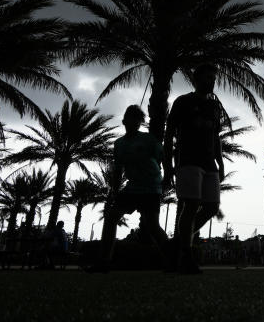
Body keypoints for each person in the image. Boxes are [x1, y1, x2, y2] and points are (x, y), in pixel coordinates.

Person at [89, 105, 169, 272]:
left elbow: (163, 157)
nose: (133, 122)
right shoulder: (119, 144)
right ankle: (104, 262)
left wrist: (167, 176)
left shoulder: (149, 140)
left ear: (140, 123)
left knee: (153, 225)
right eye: (130, 118)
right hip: (131, 189)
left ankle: (173, 259)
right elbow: (118, 170)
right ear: (124, 120)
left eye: (137, 119)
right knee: (111, 218)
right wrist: (114, 190)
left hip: (151, 188)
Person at [164, 64, 226, 275]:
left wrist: (221, 162)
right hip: (188, 159)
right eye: (207, 78)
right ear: (196, 79)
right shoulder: (183, 102)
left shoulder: (215, 107)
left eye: (213, 78)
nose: (211, 82)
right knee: (190, 205)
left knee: (211, 206)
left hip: (209, 163)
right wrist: (167, 165)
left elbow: (216, 137)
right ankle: (186, 255)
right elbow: (169, 132)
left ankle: (179, 243)